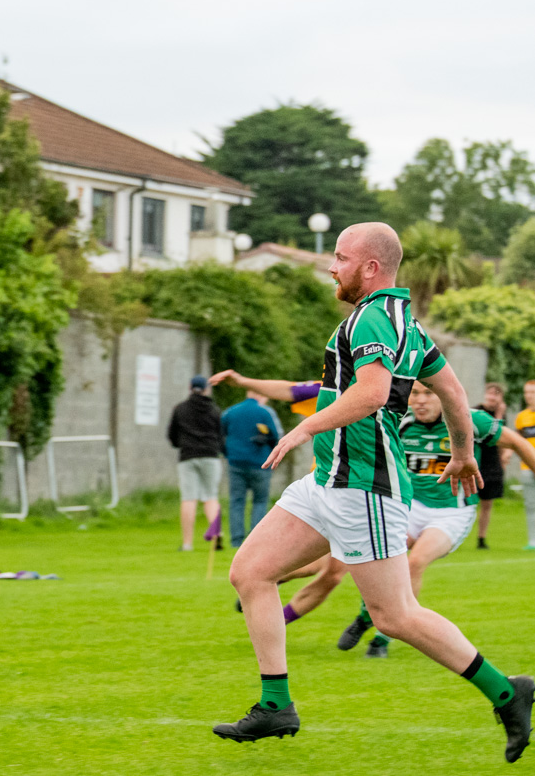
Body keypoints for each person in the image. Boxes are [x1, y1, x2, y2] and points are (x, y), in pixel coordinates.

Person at [212, 222, 532, 764]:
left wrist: (308, 426)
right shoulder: (403, 321)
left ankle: (509, 692)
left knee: (394, 616)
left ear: (370, 267)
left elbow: (373, 392)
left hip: (366, 488)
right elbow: (452, 390)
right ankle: (275, 704)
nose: (331, 267)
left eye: (339, 257)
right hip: (328, 483)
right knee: (250, 571)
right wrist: (462, 452)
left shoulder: (373, 318)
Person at [341, 380, 535, 659]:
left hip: (451, 512)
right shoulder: (401, 422)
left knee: (415, 562)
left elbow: (516, 441)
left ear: (443, 394)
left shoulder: (468, 420)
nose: (420, 401)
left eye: (428, 393)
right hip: (410, 507)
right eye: (415, 393)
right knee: (378, 561)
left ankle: (381, 640)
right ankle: (365, 615)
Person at [210, 370, 348, 622]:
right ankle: (273, 612)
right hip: (331, 490)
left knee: (330, 571)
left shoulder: (392, 394)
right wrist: (244, 381)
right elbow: (289, 389)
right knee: (333, 572)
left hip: (366, 493)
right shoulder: (330, 389)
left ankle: (273, 608)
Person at [167, 375, 223, 551]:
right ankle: (216, 535)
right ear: (206, 389)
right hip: (210, 456)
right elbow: (221, 434)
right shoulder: (214, 410)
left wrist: (182, 444)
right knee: (210, 496)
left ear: (190, 387)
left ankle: (187, 543)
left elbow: (172, 435)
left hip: (187, 456)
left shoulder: (180, 409)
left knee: (189, 498)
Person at [221, 391, 281, 547]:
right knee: (260, 501)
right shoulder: (265, 412)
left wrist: (228, 453)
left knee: (236, 501)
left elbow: (219, 433)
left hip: (236, 463)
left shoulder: (231, 411)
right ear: (261, 395)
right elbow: (275, 436)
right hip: (260, 463)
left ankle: (236, 540)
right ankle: (255, 541)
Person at [475, 382, 509, 550]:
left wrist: (504, 459)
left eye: (496, 395)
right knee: (469, 500)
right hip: (476, 461)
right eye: (489, 394)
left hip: (492, 464)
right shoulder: (477, 412)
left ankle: (481, 538)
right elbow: (489, 431)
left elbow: (502, 437)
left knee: (487, 504)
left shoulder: (501, 415)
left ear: (500, 398)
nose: (492, 397)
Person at [515, 380, 535, 551]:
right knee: (531, 504)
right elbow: (518, 441)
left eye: (532, 392)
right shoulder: (522, 417)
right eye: (527, 392)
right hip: (527, 467)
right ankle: (533, 540)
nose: (529, 396)